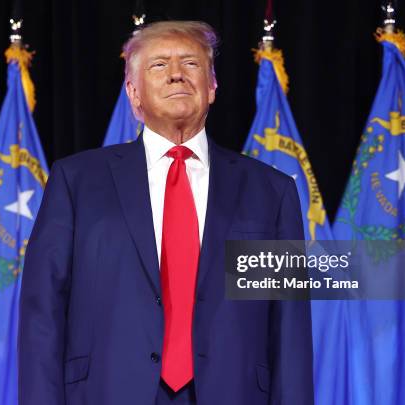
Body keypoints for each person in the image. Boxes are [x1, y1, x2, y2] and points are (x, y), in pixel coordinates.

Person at [18, 20, 313, 405]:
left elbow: (289, 329)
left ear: (212, 87)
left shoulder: (271, 191)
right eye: (159, 65)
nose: (176, 74)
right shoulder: (76, 182)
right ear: (133, 93)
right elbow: (43, 314)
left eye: (190, 63)